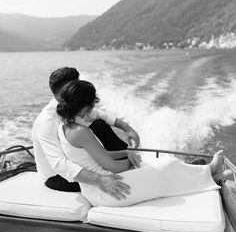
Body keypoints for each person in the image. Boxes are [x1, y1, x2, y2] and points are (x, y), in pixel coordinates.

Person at [56, 79, 231, 207]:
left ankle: (209, 174)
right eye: (93, 104)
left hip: (105, 184)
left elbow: (102, 155)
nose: (94, 108)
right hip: (107, 189)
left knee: (165, 164)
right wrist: (133, 161)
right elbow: (113, 166)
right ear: (86, 106)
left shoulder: (64, 126)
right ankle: (209, 174)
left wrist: (127, 153)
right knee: (165, 166)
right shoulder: (81, 132)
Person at [32, 67, 140, 200]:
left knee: (100, 124)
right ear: (67, 89)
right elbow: (59, 165)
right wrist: (99, 179)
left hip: (77, 160)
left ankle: (130, 160)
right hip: (57, 178)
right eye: (76, 85)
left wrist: (126, 128)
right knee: (130, 177)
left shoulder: (70, 107)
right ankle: (131, 164)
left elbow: (97, 113)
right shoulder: (47, 122)